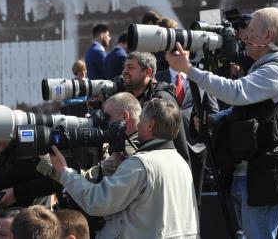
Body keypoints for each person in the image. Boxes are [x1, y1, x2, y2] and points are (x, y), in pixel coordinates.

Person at [167, 7, 278, 239]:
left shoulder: (277, 70)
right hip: (250, 170)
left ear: (268, 37)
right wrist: (215, 119)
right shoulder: (264, 67)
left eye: (251, 31)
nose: (243, 37)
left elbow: (236, 92)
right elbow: (245, 108)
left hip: (262, 171)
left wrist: (189, 70)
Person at [48, 98, 199, 238]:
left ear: (150, 125)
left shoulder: (141, 164)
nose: (138, 124)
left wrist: (64, 172)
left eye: (141, 120)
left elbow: (97, 201)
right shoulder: (181, 163)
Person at [0, 107, 55, 208]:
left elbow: (53, 181)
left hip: (31, 217)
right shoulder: (7, 151)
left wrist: (16, 194)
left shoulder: (33, 147)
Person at [122, 51, 191, 164]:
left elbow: (159, 145)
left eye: (130, 67)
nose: (124, 71)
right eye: (124, 67)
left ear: (148, 72)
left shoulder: (161, 101)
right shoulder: (138, 96)